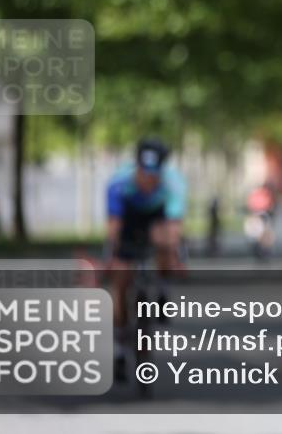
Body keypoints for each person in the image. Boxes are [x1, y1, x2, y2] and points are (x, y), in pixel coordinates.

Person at [105, 137, 187, 380]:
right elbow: (114, 229)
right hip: (127, 221)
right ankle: (120, 349)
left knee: (165, 244)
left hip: (155, 218)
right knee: (120, 281)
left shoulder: (172, 186)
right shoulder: (119, 185)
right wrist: (113, 259)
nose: (149, 180)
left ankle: (161, 290)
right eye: (144, 173)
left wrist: (173, 257)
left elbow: (173, 227)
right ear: (137, 169)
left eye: (155, 175)